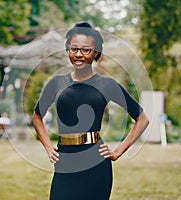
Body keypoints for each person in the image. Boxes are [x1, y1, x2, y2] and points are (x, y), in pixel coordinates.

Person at [32, 22, 149, 200]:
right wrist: (49, 147)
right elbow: (37, 117)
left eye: (86, 50)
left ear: (96, 53)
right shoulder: (56, 83)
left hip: (97, 165)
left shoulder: (107, 85)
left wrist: (118, 151)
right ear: (68, 50)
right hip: (65, 161)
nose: (79, 54)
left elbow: (142, 118)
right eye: (74, 49)